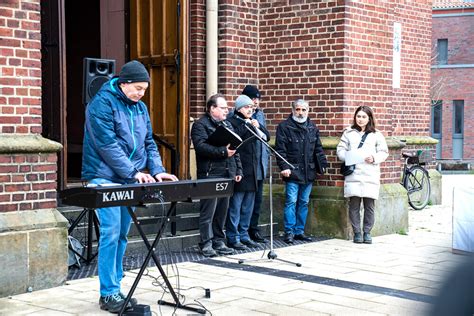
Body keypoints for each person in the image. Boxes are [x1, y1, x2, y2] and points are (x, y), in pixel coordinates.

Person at [81, 60, 178, 313]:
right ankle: (108, 293)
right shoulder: (100, 104)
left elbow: (148, 142)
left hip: (128, 177)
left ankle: (116, 287)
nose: (141, 94)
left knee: (123, 233)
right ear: (123, 84)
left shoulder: (140, 108)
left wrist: (157, 170)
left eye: (144, 89)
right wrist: (134, 172)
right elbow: (107, 145)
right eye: (137, 88)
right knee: (111, 233)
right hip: (104, 176)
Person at [191, 93, 243, 257]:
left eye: (227, 108)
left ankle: (219, 241)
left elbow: (235, 150)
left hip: (227, 172)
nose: (226, 111)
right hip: (210, 173)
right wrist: (222, 151)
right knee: (209, 211)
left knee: (222, 210)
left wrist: (238, 170)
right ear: (212, 108)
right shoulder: (200, 125)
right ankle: (206, 243)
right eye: (222, 108)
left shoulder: (227, 124)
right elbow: (200, 147)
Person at [275, 99, 327, 244]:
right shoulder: (284, 127)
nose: (301, 112)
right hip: (292, 171)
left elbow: (318, 149)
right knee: (291, 201)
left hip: (308, 172)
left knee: (304, 202)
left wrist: (322, 166)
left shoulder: (312, 127)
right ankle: (289, 231)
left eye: (304, 110)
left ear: (308, 111)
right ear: (292, 110)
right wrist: (284, 167)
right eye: (298, 109)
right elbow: (280, 150)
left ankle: (299, 231)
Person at [336, 105, 388, 244]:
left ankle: (367, 232)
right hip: (354, 173)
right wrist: (348, 156)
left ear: (369, 118)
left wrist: (374, 158)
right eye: (358, 116)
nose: (360, 119)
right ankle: (357, 233)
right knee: (354, 205)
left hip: (370, 173)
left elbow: (384, 152)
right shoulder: (348, 132)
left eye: (364, 117)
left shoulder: (376, 134)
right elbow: (340, 150)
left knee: (369, 205)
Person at [226, 94, 271, 250]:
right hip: (240, 170)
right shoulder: (232, 122)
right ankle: (233, 236)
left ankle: (244, 235)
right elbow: (236, 138)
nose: (250, 110)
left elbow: (267, 137)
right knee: (236, 206)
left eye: (252, 108)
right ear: (239, 109)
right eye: (247, 107)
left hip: (252, 170)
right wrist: (247, 124)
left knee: (248, 207)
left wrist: (257, 126)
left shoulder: (253, 123)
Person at [242, 85, 269, 243]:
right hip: (247, 166)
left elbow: (265, 135)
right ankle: (241, 232)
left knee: (257, 201)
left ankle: (254, 229)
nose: (256, 102)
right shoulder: (237, 115)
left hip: (260, 165)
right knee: (245, 202)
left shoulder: (260, 114)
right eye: (253, 99)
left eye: (258, 99)